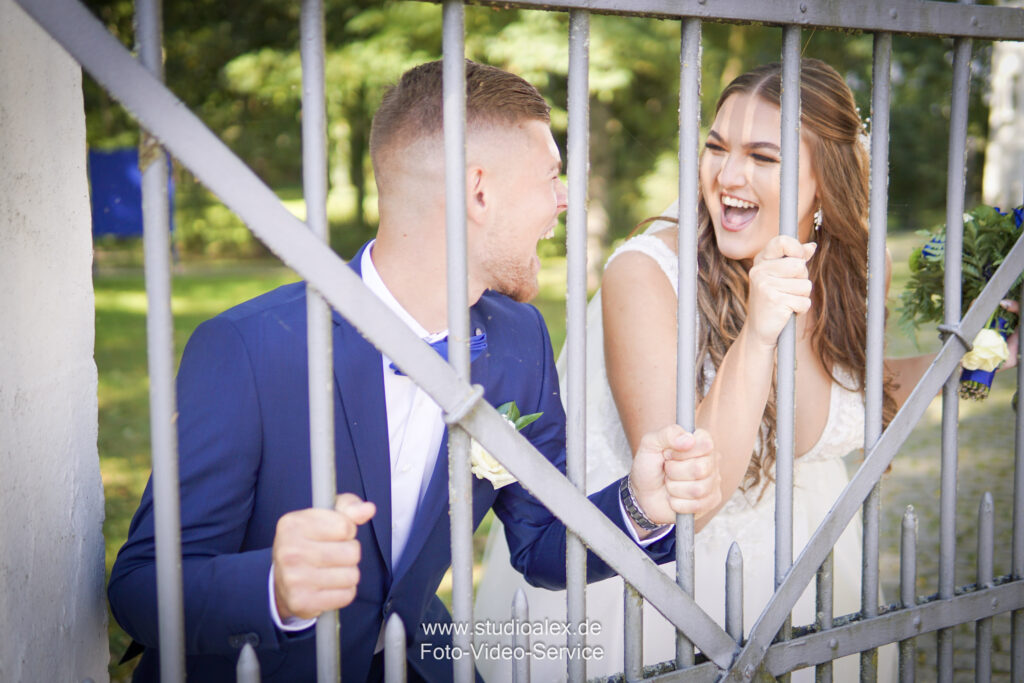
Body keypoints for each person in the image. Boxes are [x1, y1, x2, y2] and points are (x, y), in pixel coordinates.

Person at [107, 60, 725, 682]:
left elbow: (540, 542)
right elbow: (140, 586)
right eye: (552, 176)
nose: (565, 200)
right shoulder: (249, 348)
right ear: (478, 192)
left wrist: (641, 507)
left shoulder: (520, 341)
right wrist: (271, 587)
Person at [477, 58, 1010, 681]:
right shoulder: (645, 275)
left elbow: (856, 394)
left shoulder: (859, 268)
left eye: (763, 156)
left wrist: (976, 349)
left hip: (812, 573)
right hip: (666, 597)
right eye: (716, 147)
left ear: (824, 180)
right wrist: (759, 335)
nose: (728, 175)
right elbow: (683, 505)